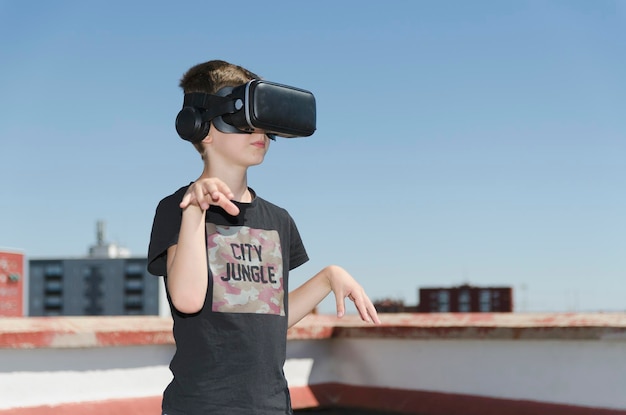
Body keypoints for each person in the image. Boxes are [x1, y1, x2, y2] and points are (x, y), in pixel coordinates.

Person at [147, 59, 380, 415]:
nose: (260, 134)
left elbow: (268, 321)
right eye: (243, 122)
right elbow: (188, 299)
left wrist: (327, 277)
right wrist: (195, 209)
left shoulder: (278, 220)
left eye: (264, 124)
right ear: (201, 129)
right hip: (203, 406)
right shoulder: (177, 208)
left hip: (271, 405)